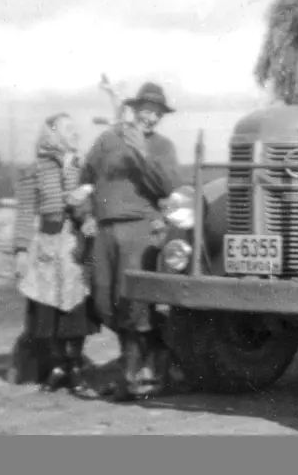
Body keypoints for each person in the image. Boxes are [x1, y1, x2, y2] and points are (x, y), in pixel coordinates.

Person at [81, 81, 181, 401]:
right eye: (145, 111)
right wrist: (85, 214)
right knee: (103, 301)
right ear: (133, 110)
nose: (150, 118)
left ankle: (132, 376)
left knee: (135, 304)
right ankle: (145, 367)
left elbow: (169, 187)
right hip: (104, 230)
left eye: (156, 113)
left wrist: (141, 151)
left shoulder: (162, 146)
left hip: (139, 230)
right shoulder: (107, 140)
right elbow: (85, 179)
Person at [7, 113, 99, 396]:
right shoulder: (34, 171)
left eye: (76, 129)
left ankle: (76, 369)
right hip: (46, 246)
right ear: (52, 133)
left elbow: (96, 201)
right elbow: (25, 213)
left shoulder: (84, 168)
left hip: (74, 245)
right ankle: (58, 366)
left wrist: (90, 214)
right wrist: (21, 251)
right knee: (48, 311)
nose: (75, 133)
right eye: (68, 129)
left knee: (76, 307)